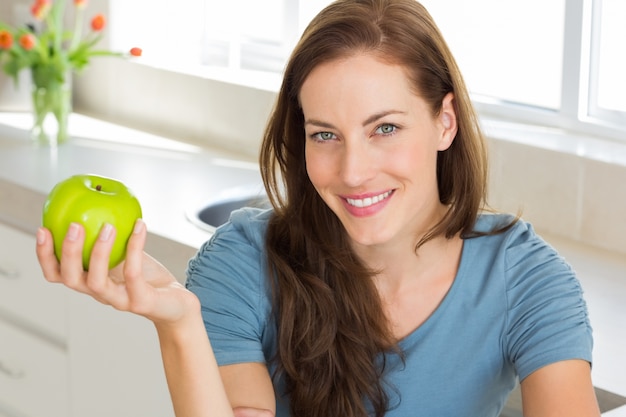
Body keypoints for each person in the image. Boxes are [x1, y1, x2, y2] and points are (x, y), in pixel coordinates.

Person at [36, 0, 600, 416]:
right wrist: (180, 325)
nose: (353, 172)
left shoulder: (525, 278)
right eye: (325, 135)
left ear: (444, 122)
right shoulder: (240, 263)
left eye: (385, 128)